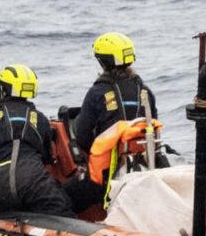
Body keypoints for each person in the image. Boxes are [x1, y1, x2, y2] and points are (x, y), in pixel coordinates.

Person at [0, 64, 74, 216]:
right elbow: (47, 157)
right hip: (33, 180)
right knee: (64, 212)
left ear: (3, 89)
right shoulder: (40, 120)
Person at [69, 32, 163, 170]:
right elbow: (152, 125)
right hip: (144, 164)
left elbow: (83, 137)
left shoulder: (97, 93)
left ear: (102, 61)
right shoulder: (145, 92)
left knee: (66, 188)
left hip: (109, 169)